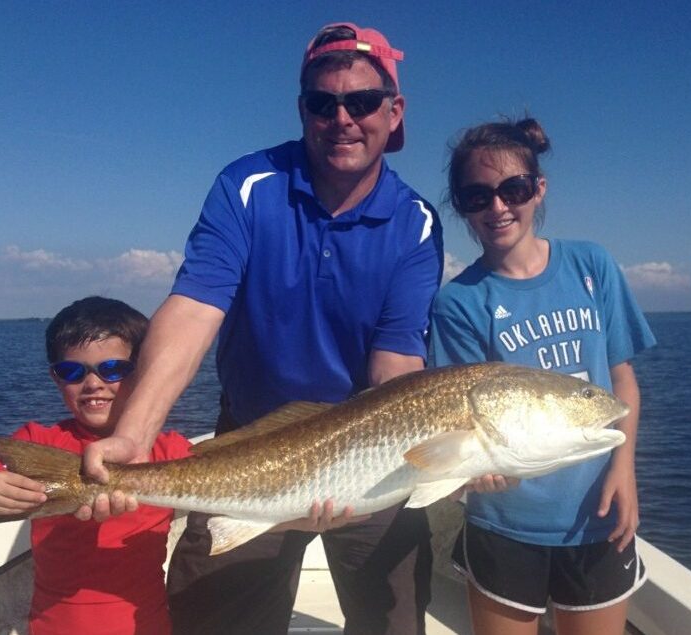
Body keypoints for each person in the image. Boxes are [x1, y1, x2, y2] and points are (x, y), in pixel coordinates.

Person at [79, 22, 443, 635]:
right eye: (323, 103)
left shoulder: (417, 222)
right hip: (251, 438)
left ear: (394, 110)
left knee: (394, 620)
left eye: (362, 101)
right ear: (303, 110)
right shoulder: (247, 186)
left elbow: (397, 364)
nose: (342, 118)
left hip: (372, 450)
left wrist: (368, 467)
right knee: (212, 618)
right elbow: (194, 307)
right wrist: (134, 435)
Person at [429, 117, 656, 635]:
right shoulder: (458, 302)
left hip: (597, 514)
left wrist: (624, 470)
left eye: (513, 189)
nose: (498, 207)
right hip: (504, 523)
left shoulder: (591, 265)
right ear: (461, 205)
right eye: (477, 196)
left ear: (539, 189)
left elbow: (621, 380)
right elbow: (460, 415)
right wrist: (475, 471)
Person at [0, 296, 192, 635]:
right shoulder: (35, 442)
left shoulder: (172, 449)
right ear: (55, 378)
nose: (93, 383)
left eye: (113, 369)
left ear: (145, 373)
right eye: (72, 372)